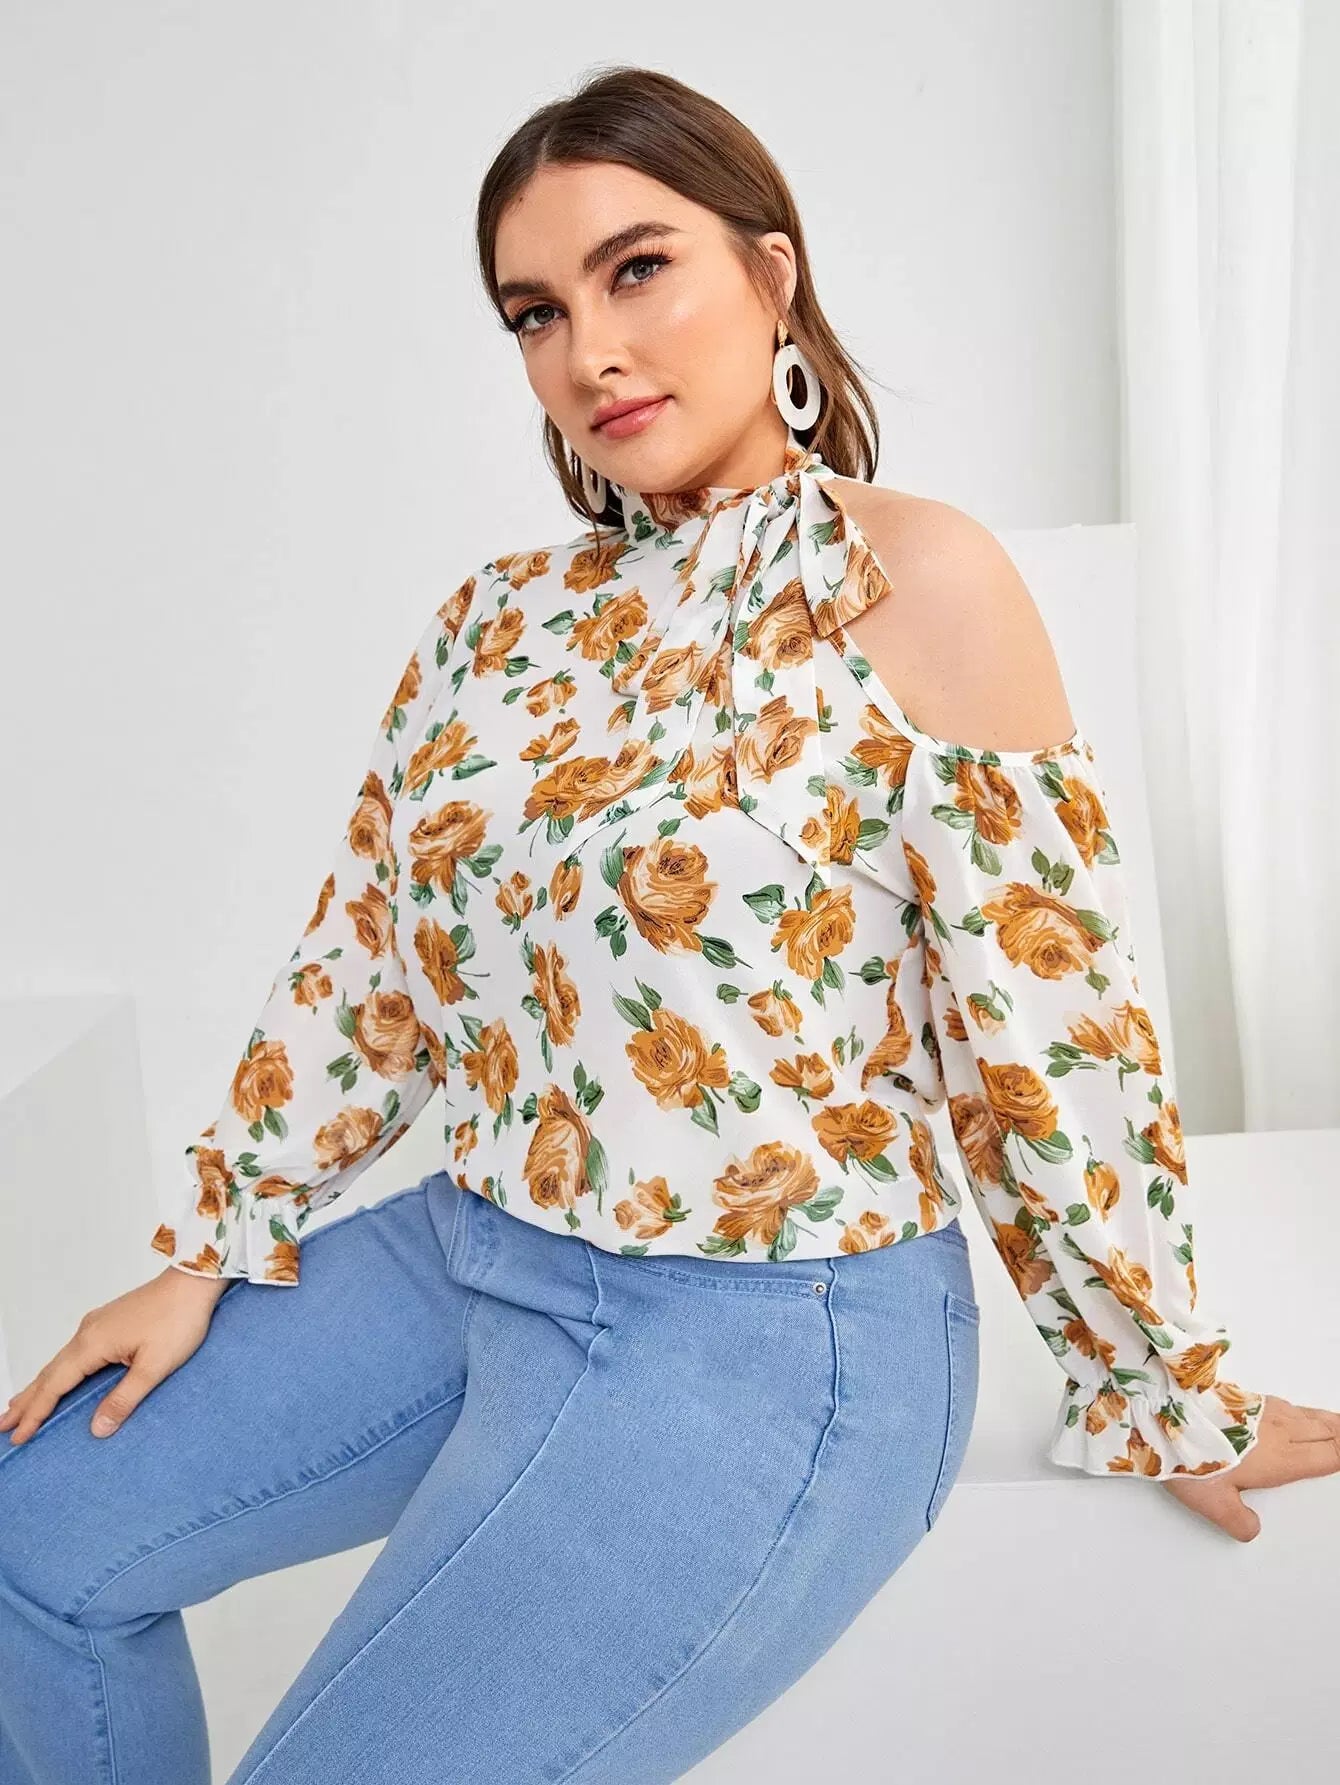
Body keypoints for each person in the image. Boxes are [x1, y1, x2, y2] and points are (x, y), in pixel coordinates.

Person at [1, 62, 1335, 1785]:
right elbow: (368, 969)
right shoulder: (496, 624)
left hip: (770, 1331)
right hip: (474, 1248)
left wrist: (1156, 1381)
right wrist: (209, 1242)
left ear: (773, 274)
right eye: (537, 312)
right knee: (32, 1543)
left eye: (639, 269)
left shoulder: (910, 581)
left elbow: (1052, 1035)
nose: (592, 352)